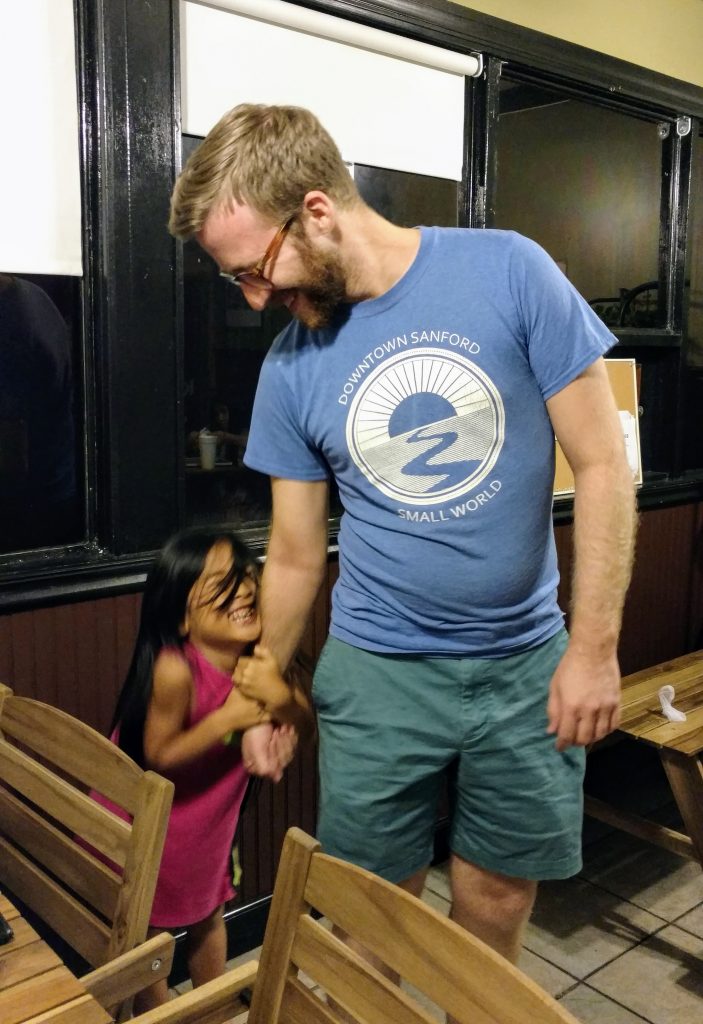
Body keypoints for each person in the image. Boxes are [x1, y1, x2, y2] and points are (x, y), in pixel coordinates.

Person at [168, 103, 637, 991]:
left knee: (495, 899)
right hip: (378, 671)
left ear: (315, 210)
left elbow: (605, 466)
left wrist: (593, 649)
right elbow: (300, 555)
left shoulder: (509, 271)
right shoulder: (291, 368)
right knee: (369, 915)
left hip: (524, 666)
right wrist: (265, 687)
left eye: (255, 271)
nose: (256, 300)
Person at [103, 524, 310, 1009]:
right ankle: (158, 1014)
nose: (242, 589)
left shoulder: (264, 663)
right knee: (151, 936)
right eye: (219, 584)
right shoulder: (176, 667)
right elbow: (161, 755)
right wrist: (230, 719)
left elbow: (301, 717)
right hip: (150, 826)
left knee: (209, 916)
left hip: (208, 829)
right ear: (180, 617)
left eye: (245, 576)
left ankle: (211, 1009)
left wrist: (283, 705)